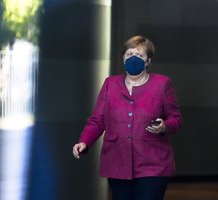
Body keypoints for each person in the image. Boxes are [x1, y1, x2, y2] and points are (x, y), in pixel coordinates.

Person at [72, 35, 182, 200]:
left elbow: (176, 119)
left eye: (139, 55)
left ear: (148, 61)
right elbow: (98, 120)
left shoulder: (162, 84)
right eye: (129, 54)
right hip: (117, 162)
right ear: (123, 58)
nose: (133, 59)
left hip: (153, 164)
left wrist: (164, 126)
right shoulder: (110, 84)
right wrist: (84, 141)